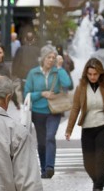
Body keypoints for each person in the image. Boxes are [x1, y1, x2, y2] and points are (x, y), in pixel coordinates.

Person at [64, 58, 104, 191]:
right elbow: (75, 109)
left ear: (100, 74)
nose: (92, 77)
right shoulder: (81, 88)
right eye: (90, 74)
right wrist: (69, 129)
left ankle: (98, 189)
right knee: (88, 162)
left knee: (100, 158)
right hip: (87, 128)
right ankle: (96, 181)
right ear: (86, 74)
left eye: (95, 74)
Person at [24, 46, 72, 179]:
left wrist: (60, 67)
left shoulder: (57, 71)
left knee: (50, 137)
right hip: (38, 111)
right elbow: (26, 94)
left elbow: (68, 83)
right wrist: (41, 94)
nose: (50, 60)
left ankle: (50, 167)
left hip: (54, 110)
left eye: (53, 58)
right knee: (41, 141)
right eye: (48, 57)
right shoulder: (33, 73)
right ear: (43, 58)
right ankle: (44, 168)